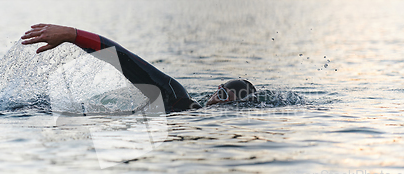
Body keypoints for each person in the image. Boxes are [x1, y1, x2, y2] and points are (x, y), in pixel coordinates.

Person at [21, 24, 256, 112]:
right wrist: (72, 34)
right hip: (47, 109)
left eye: (231, 103)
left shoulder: (185, 109)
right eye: (222, 95)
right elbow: (124, 60)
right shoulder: (177, 97)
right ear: (216, 90)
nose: (220, 103)